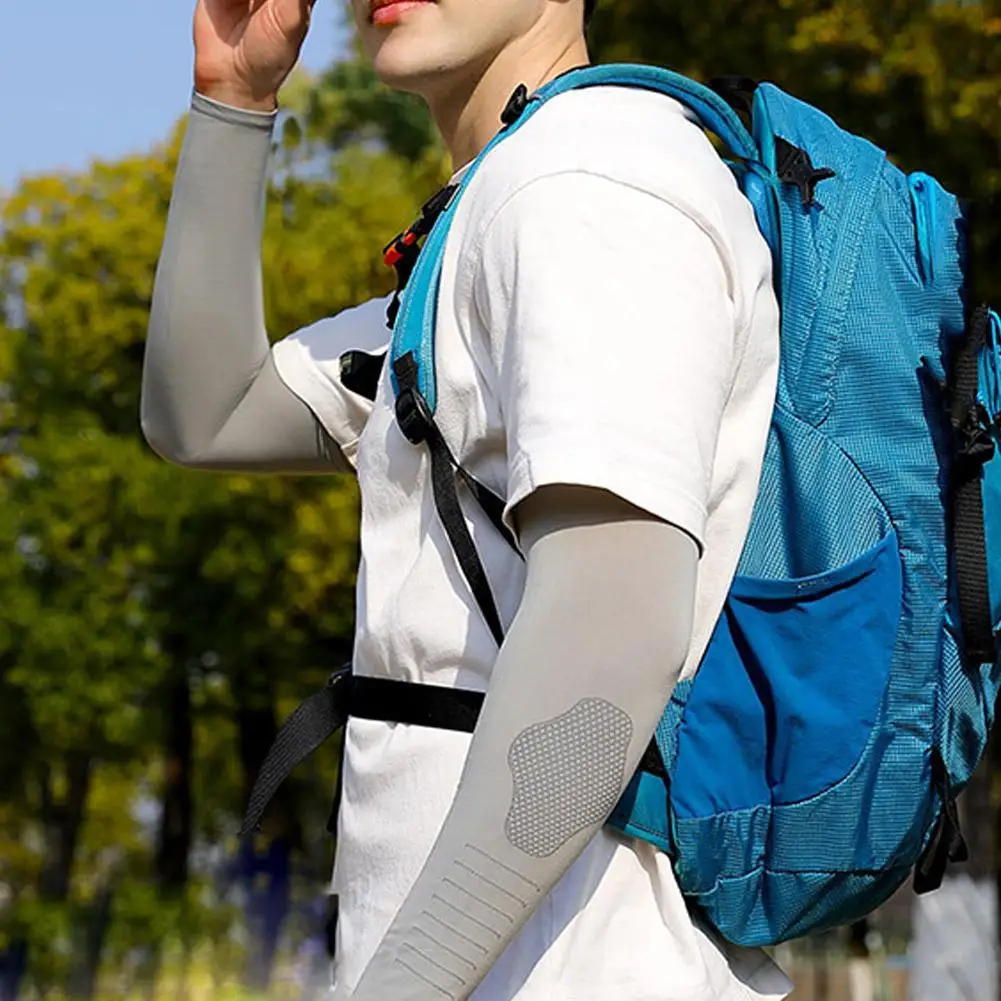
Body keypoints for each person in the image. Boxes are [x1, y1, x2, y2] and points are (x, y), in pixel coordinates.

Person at [141, 0, 793, 997]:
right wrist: (236, 95)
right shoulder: (493, 216)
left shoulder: (587, 179)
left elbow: (608, 634)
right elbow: (207, 412)